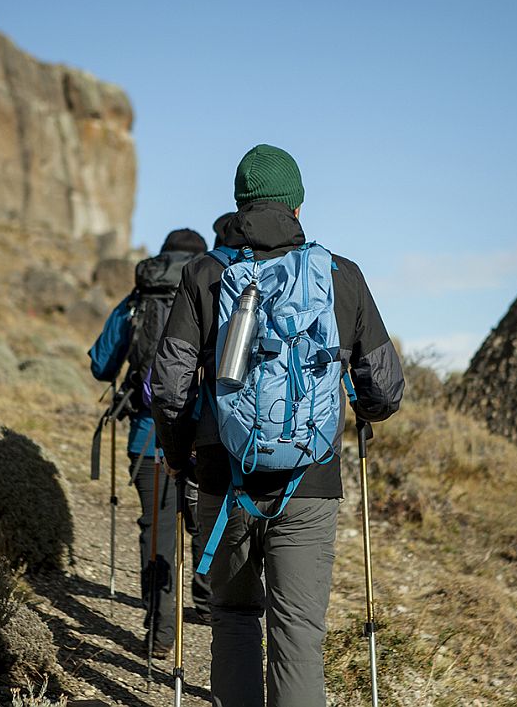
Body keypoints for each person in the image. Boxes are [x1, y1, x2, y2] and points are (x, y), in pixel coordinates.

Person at [151, 144, 404, 707]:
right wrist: (363, 410)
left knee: (236, 618)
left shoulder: (205, 274)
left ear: (239, 203)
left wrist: (177, 452)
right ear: (297, 206)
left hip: (224, 477)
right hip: (311, 481)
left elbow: (168, 388)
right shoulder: (341, 275)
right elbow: (385, 389)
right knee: (297, 635)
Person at [88, 228, 212, 658]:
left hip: (148, 438)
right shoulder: (216, 293)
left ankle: (160, 632)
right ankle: (209, 601)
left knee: (156, 530)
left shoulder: (139, 299)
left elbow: (102, 365)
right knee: (207, 517)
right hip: (204, 439)